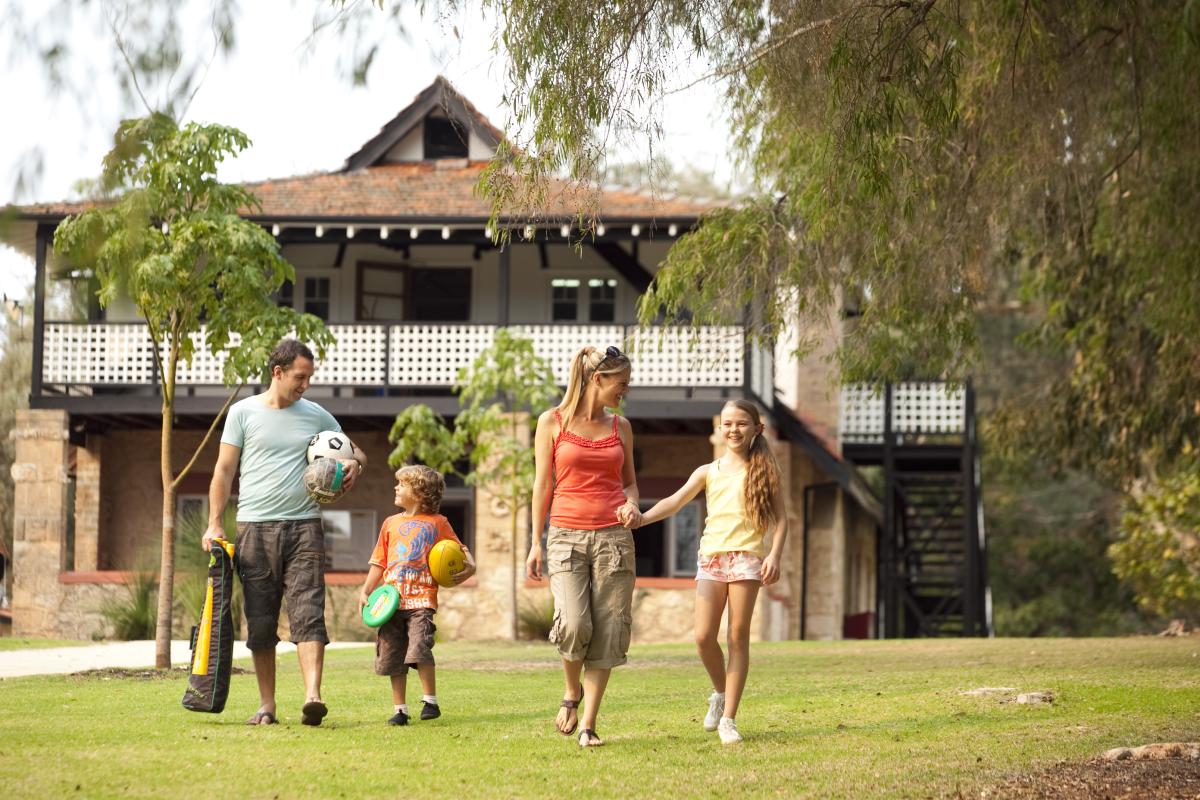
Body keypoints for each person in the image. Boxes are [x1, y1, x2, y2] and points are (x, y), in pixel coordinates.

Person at [202, 338, 367, 727]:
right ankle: (267, 705)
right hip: (254, 529)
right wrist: (213, 521)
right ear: (277, 372)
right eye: (300, 377)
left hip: (304, 527)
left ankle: (313, 696)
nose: (305, 385)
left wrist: (355, 467)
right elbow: (223, 471)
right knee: (260, 620)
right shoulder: (243, 413)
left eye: (309, 377)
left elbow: (356, 452)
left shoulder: (317, 415)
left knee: (309, 611)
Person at [635, 399, 787, 745]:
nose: (734, 430)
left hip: (747, 560)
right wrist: (641, 519)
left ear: (756, 429)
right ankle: (720, 693)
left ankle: (729, 720)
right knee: (703, 637)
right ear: (721, 428)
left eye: (742, 424)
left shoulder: (765, 472)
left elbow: (782, 522)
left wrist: (774, 556)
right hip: (712, 560)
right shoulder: (708, 471)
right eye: (728, 423)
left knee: (737, 638)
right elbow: (673, 502)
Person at [526, 345, 640, 748]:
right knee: (574, 623)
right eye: (621, 384)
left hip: (614, 539)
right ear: (598, 380)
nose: (625, 391)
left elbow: (629, 482)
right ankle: (570, 692)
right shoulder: (552, 422)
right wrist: (534, 542)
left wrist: (631, 502)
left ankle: (589, 723)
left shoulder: (620, 427)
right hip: (565, 537)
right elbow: (543, 485)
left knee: (608, 631)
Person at [358, 465, 475, 726]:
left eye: (402, 484)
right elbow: (379, 561)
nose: (396, 488)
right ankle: (400, 710)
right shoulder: (390, 523)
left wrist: (472, 566)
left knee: (420, 646)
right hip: (390, 602)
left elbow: (459, 551)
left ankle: (430, 701)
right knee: (392, 655)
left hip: (421, 599)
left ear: (419, 492)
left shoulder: (439, 523)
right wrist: (366, 590)